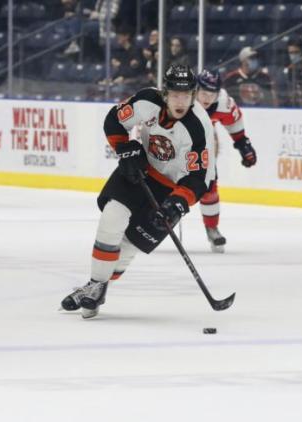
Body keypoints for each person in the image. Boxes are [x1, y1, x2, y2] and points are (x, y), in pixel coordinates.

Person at [60, 64, 215, 318]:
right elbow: (114, 120)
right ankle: (95, 285)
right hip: (140, 171)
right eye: (175, 94)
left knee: (130, 246)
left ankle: (98, 286)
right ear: (165, 94)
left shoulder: (198, 127)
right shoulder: (146, 100)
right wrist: (126, 149)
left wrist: (177, 204)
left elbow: (199, 178)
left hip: (172, 189)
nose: (181, 101)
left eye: (186, 95)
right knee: (112, 217)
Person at [195, 69, 257, 252]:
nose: (207, 98)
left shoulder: (223, 103)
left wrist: (243, 145)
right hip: (173, 141)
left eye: (212, 94)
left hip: (202, 143)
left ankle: (212, 228)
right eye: (204, 92)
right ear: (196, 88)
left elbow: (234, 124)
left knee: (209, 185)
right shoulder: (181, 97)